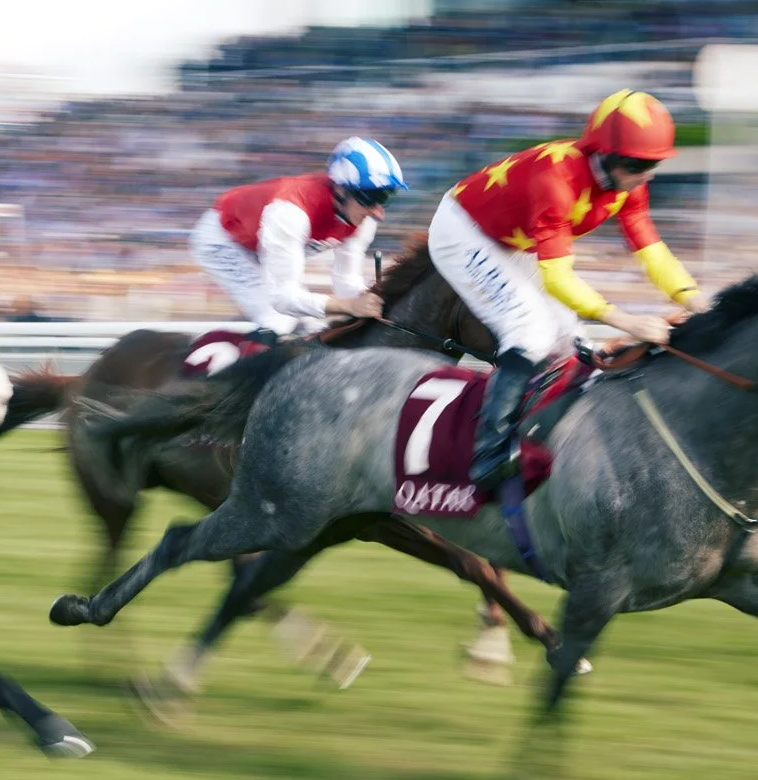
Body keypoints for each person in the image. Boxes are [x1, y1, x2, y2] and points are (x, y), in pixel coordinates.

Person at [427, 89, 711, 488]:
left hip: (513, 239)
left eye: (653, 165)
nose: (644, 176)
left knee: (572, 338)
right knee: (530, 331)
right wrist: (627, 320)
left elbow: (650, 249)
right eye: (636, 164)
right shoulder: (558, 180)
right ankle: (486, 452)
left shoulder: (627, 182)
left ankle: (545, 430)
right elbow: (558, 278)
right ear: (605, 154)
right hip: (464, 231)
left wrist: (694, 299)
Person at [188, 137, 406, 341]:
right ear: (340, 190)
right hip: (223, 240)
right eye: (372, 198)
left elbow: (347, 284)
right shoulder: (290, 212)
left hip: (262, 246)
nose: (378, 212)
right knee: (282, 323)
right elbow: (283, 298)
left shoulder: (363, 218)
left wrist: (372, 302)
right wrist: (348, 305)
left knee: (312, 326)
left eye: (385, 199)